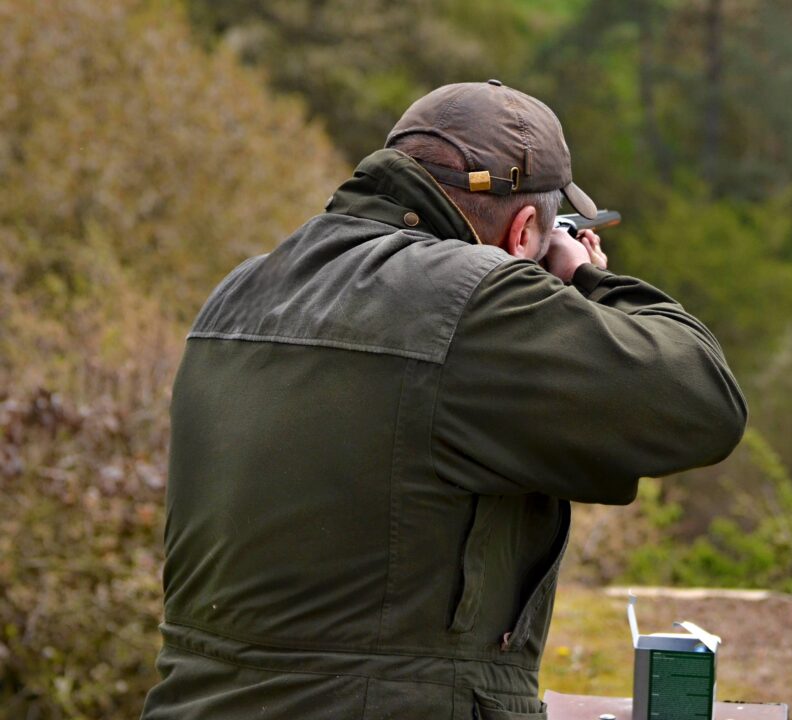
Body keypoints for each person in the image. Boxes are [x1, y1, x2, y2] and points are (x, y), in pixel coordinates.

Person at [139, 80, 748, 720]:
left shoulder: (238, 290)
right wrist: (584, 276)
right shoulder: (472, 301)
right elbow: (703, 401)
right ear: (522, 233)